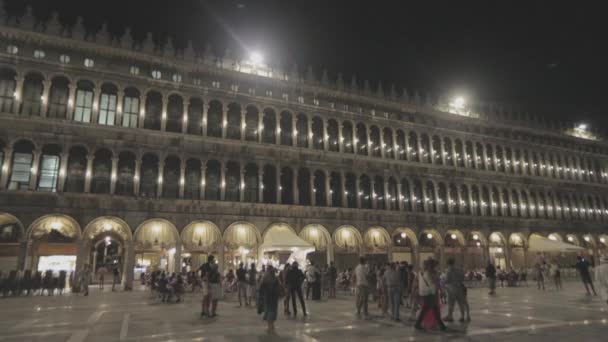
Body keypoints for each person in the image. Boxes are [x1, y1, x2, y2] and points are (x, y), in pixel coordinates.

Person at [415, 259, 447, 331]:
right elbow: (434, 283)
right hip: (430, 293)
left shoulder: (420, 272)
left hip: (424, 293)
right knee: (433, 309)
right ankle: (441, 325)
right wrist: (440, 289)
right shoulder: (429, 273)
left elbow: (417, 282)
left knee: (427, 309)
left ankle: (418, 324)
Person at [443, 257, 470, 323]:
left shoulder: (448, 270)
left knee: (451, 303)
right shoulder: (459, 269)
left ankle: (450, 316)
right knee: (461, 303)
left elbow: (447, 280)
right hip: (460, 287)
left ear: (448, 263)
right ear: (454, 262)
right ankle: (462, 317)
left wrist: (443, 281)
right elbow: (463, 277)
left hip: (451, 289)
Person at [258, 265, 281, 334]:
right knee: (273, 311)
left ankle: (270, 325)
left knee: (268, 310)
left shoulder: (264, 278)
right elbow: (279, 288)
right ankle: (271, 325)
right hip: (274, 297)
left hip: (267, 297)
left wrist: (261, 296)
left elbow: (261, 288)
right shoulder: (276, 279)